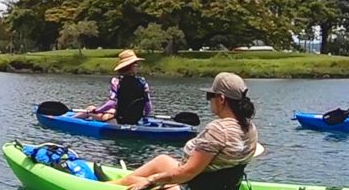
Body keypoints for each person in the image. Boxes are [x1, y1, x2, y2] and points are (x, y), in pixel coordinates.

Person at [107, 72, 259, 190]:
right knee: (162, 160)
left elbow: (187, 173)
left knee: (133, 182)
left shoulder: (218, 130)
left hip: (193, 186)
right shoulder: (250, 127)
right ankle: (115, 181)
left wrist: (151, 180)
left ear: (221, 99)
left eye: (209, 96)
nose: (209, 100)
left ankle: (108, 185)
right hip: (223, 185)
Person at [74, 49, 153, 124]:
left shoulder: (116, 82)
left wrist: (97, 110)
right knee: (111, 110)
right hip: (135, 119)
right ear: (132, 67)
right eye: (136, 64)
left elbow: (111, 103)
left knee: (90, 108)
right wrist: (145, 116)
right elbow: (148, 107)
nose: (137, 66)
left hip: (119, 119)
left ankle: (70, 120)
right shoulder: (143, 83)